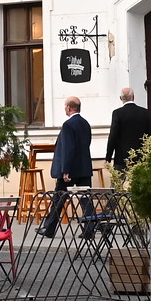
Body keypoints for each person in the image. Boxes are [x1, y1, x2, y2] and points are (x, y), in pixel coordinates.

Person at [38, 96, 92, 238]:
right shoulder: (85, 123)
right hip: (84, 168)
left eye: (65, 106)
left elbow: (68, 148)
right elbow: (86, 144)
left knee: (59, 198)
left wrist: (65, 170)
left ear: (69, 107)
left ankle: (49, 228)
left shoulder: (68, 124)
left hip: (69, 170)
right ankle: (89, 229)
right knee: (85, 199)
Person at [105, 87, 151, 170]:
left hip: (122, 158)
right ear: (133, 97)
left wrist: (108, 158)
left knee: (120, 182)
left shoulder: (117, 113)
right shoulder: (145, 112)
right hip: (140, 157)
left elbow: (113, 136)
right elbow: (149, 134)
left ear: (121, 98)